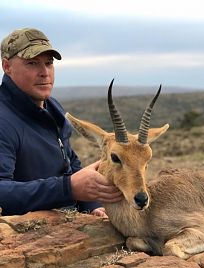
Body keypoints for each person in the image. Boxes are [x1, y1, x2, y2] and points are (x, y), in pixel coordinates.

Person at [0, 28, 123, 217]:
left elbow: (69, 161)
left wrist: (92, 204)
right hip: (28, 234)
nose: (44, 72)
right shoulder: (3, 120)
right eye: (32, 63)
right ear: (7, 66)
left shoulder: (51, 107)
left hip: (66, 221)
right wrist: (68, 189)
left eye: (49, 63)